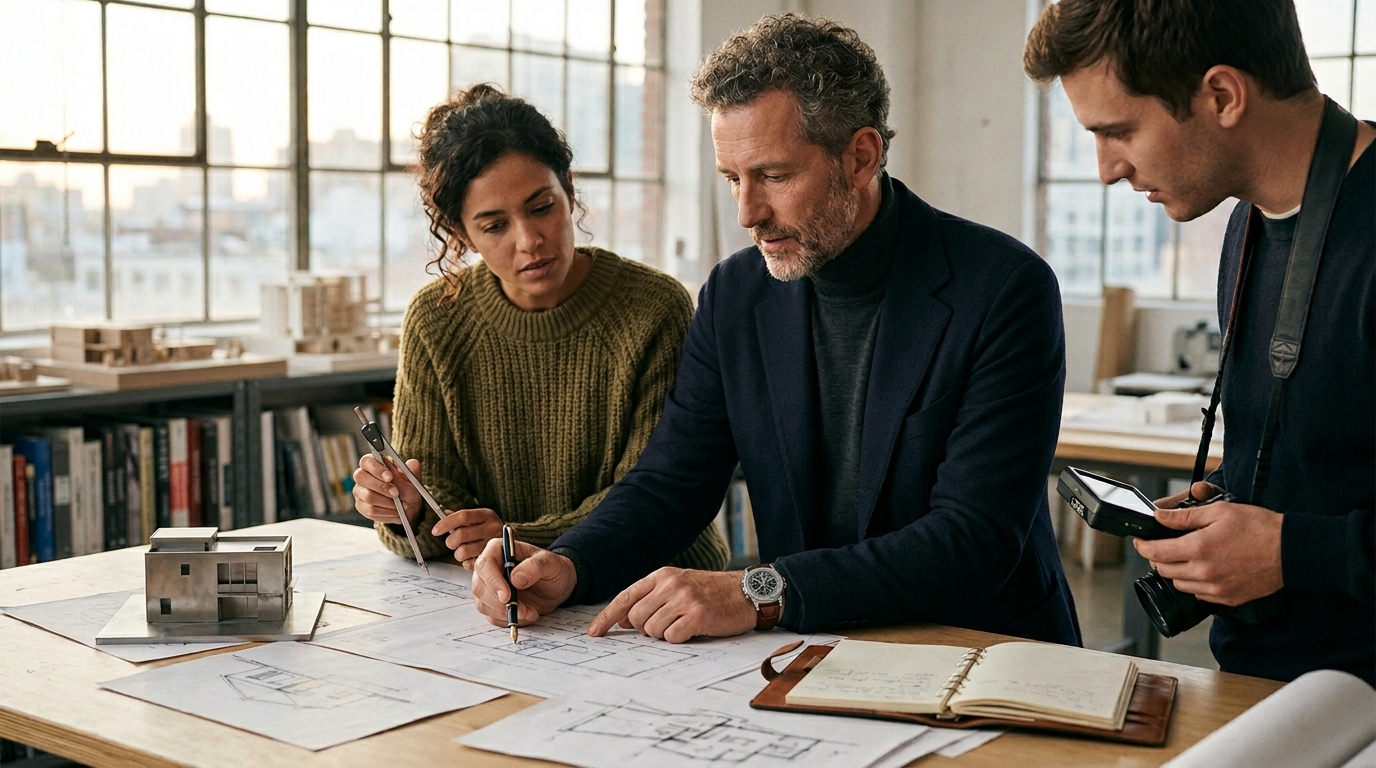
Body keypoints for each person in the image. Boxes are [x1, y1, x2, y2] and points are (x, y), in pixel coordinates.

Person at [469, 14, 1082, 646]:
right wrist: (573, 564)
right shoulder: (735, 293)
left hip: (985, 653)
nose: (746, 213)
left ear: (861, 157)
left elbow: (972, 540)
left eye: (775, 176)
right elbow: (673, 481)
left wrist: (757, 589)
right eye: (733, 179)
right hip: (813, 650)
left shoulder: (1005, 287)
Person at [1024, 0, 1374, 683]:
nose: (1105, 170)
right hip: (1264, 687)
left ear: (1221, 95)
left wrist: (1289, 553)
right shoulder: (1245, 222)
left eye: (1117, 131)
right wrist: (1223, 500)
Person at [351, 85, 729, 573]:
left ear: (568, 190)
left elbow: (656, 496)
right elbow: (436, 498)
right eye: (494, 226)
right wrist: (409, 509)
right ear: (462, 234)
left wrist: (516, 539)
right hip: (499, 593)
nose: (529, 241)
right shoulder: (436, 319)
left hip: (654, 582)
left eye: (541, 207)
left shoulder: (653, 308)